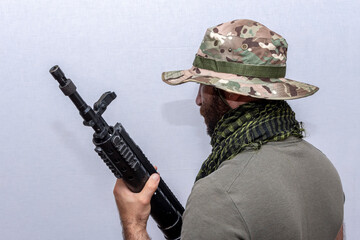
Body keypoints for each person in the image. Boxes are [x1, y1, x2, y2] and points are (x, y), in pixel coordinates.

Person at [113, 19, 344, 240]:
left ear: (234, 91)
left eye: (203, 85)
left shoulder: (219, 194)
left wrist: (133, 222)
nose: (198, 100)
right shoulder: (323, 167)